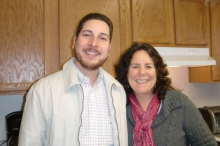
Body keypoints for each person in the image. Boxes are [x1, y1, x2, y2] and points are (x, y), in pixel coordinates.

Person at [18, 13, 128, 146]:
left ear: (109, 48)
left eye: (102, 38)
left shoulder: (117, 91)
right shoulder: (42, 91)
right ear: (74, 41)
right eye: (87, 35)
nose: (93, 43)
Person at [115, 43, 217, 146]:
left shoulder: (179, 103)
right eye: (135, 66)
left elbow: (207, 143)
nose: (142, 72)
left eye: (148, 66)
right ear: (126, 72)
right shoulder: (118, 108)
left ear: (157, 72)